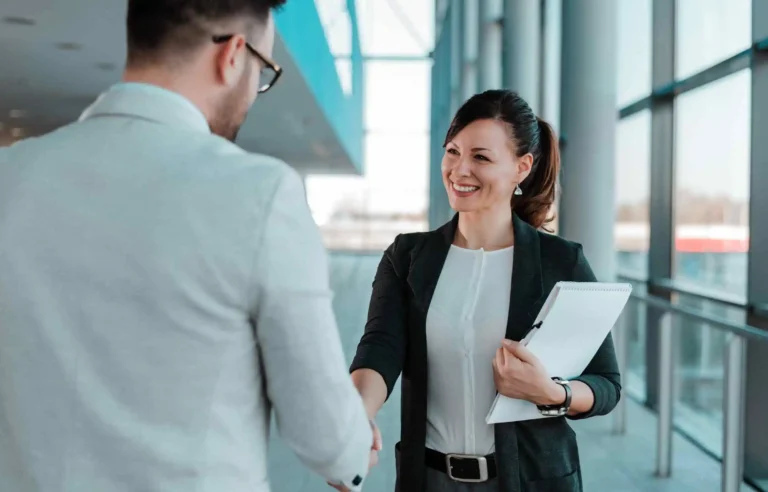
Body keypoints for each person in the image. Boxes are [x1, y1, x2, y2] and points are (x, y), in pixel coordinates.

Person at [0, 1, 377, 491]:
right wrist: (353, 443)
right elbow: (327, 440)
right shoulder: (259, 194)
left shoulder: (12, 176)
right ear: (233, 56)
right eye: (263, 71)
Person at [349, 90, 621, 492]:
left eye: (481, 157)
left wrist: (551, 392)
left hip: (531, 481)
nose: (460, 170)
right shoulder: (407, 256)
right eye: (453, 151)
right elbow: (379, 350)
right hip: (429, 481)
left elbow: (606, 385)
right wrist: (356, 419)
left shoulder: (561, 262)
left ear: (521, 167)